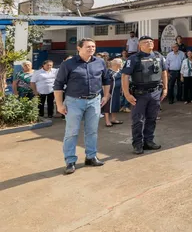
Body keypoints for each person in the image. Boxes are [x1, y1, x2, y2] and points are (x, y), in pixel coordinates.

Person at [53, 38, 111, 174]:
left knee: (92, 131)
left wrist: (106, 95)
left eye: (93, 46)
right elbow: (58, 85)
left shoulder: (100, 62)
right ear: (79, 48)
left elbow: (106, 79)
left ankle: (91, 157)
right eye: (88, 46)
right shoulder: (68, 64)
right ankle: (70, 161)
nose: (91, 49)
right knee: (72, 132)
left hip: (94, 101)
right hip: (74, 102)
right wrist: (60, 104)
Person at [122, 36, 168, 154]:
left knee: (152, 119)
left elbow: (164, 72)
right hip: (139, 94)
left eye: (151, 41)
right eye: (146, 42)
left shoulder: (159, 57)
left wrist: (165, 89)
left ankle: (149, 141)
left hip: (155, 93)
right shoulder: (133, 59)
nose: (149, 43)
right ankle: (137, 144)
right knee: (138, 120)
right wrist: (126, 94)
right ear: (140, 45)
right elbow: (125, 76)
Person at [102, 58, 124, 127]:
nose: (122, 64)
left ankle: (113, 119)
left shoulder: (120, 71)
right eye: (121, 62)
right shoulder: (109, 72)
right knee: (108, 106)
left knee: (115, 105)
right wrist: (106, 93)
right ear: (117, 64)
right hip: (110, 92)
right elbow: (104, 83)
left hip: (117, 91)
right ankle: (107, 121)